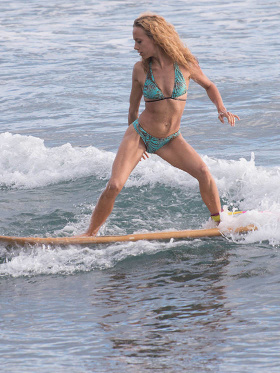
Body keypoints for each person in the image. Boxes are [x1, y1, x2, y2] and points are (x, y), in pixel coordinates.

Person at [84, 13, 240, 236]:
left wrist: (221, 109)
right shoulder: (140, 70)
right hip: (140, 134)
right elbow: (132, 109)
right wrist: (136, 145)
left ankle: (219, 221)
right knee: (115, 185)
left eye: (139, 41)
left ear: (155, 38)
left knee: (204, 173)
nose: (135, 47)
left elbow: (209, 85)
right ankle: (90, 233)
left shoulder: (186, 64)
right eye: (134, 41)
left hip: (170, 139)